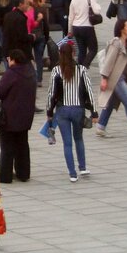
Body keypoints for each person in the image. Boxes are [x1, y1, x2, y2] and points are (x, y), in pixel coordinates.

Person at [46, 42, 96, 182]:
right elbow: (89, 91)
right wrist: (94, 111)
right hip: (78, 109)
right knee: (79, 139)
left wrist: (49, 112)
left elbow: (51, 93)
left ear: (60, 54)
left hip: (62, 110)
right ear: (74, 53)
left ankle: (72, 173)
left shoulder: (56, 71)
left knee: (67, 143)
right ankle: (83, 167)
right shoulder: (81, 70)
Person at [0, 49, 36, 183]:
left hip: (9, 117)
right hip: (25, 116)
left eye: (9, 59)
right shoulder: (30, 73)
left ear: (14, 60)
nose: (8, 60)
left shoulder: (11, 73)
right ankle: (23, 173)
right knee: (22, 145)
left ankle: (6, 176)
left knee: (7, 147)